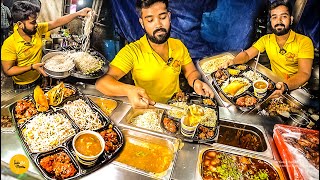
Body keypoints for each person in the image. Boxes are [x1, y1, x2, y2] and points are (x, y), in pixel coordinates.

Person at [96, 0, 214, 109]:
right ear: (142, 23)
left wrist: (195, 82)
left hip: (177, 106)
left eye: (162, 17)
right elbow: (102, 83)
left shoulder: (178, 46)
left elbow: (190, 72)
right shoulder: (133, 51)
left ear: (169, 17)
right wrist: (128, 90)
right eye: (150, 20)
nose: (158, 25)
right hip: (149, 109)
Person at [219, 0, 314, 98]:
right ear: (271, 21)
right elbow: (247, 54)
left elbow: (304, 73)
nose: (279, 21)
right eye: (274, 17)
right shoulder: (266, 39)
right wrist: (233, 61)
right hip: (275, 84)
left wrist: (285, 86)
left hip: (296, 88)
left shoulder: (304, 41)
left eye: (284, 16)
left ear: (291, 19)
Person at [1, 1, 91, 91]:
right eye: (32, 22)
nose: (36, 25)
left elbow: (56, 22)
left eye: (36, 21)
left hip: (39, 76)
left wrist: (78, 13)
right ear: (20, 24)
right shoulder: (9, 44)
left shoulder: (37, 30)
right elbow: (8, 71)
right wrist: (32, 67)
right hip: (23, 85)